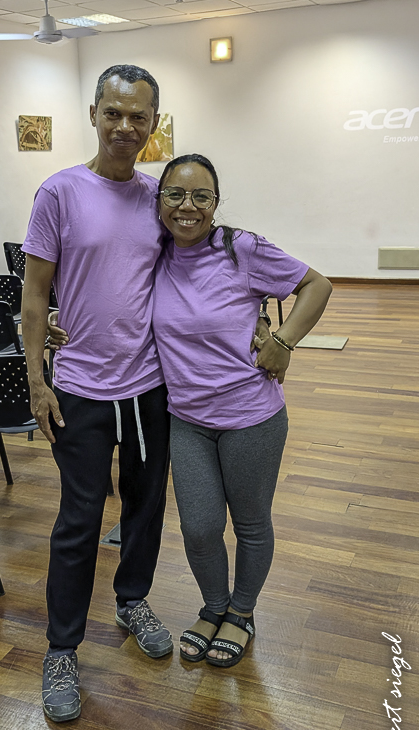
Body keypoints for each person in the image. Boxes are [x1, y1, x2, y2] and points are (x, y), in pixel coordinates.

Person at [21, 65, 175, 724]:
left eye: (138, 116)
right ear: (93, 114)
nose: (125, 127)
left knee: (144, 506)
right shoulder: (58, 192)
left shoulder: (159, 197)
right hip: (80, 388)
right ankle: (61, 649)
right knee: (79, 521)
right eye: (113, 113)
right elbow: (35, 294)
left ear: (153, 123)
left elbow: (188, 278)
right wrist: (36, 380)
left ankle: (132, 599)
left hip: (147, 388)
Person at [151, 154, 332, 667]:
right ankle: (214, 605)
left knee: (250, 523)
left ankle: (241, 612)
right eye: (175, 194)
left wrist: (283, 340)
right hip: (187, 419)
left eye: (201, 196)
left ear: (216, 203)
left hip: (251, 416)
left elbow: (317, 285)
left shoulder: (241, 248)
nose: (187, 206)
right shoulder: (153, 253)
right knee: (199, 528)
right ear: (159, 200)